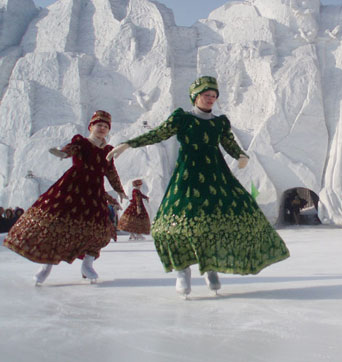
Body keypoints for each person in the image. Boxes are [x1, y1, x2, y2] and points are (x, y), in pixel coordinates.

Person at [107, 76, 290, 299]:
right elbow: (159, 133)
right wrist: (129, 144)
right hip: (188, 175)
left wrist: (241, 155)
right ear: (195, 96)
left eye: (213, 96)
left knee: (218, 221)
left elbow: (229, 143)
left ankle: (209, 266)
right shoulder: (182, 119)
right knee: (173, 225)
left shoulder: (219, 122)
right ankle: (182, 270)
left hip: (215, 175)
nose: (210, 99)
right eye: (206, 95)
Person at [3, 110, 127, 285]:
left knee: (99, 231)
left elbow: (111, 172)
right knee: (54, 225)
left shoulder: (107, 151)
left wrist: (119, 190)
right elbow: (72, 149)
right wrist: (64, 153)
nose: (102, 128)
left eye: (105, 126)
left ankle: (87, 264)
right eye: (99, 125)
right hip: (72, 188)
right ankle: (46, 264)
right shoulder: (82, 142)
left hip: (94, 193)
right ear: (91, 126)